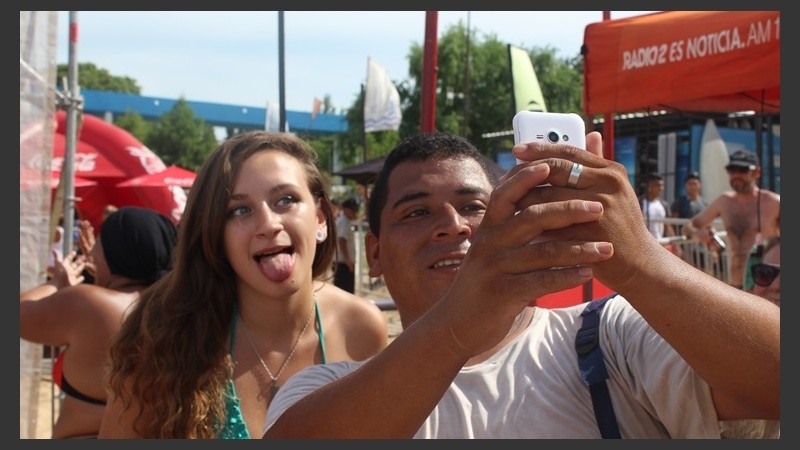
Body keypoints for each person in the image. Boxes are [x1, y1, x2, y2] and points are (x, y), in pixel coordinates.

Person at [263, 131, 779, 438]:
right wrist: (459, 324)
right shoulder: (321, 389)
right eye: (417, 211)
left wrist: (638, 261)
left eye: (474, 206)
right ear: (375, 255)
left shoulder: (613, 337)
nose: (454, 226)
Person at [98, 130, 387, 438]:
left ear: (320, 219)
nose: (268, 224)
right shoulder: (162, 337)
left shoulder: (362, 328)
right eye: (240, 210)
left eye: (285, 200)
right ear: (216, 235)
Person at [20, 206, 178, 438]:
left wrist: (57, 282)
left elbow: (20, 314)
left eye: (99, 243)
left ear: (116, 253)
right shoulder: (178, 313)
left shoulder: (87, 303)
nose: (91, 251)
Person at [687, 149, 780, 289]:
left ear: (757, 173)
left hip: (765, 285)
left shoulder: (773, 203)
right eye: (732, 170)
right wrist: (697, 234)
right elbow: (690, 225)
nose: (736, 175)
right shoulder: (724, 201)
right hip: (735, 284)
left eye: (743, 170)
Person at [334, 197, 360, 293]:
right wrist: (348, 261)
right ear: (346, 209)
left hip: (343, 263)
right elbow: (342, 240)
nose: (354, 212)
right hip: (343, 265)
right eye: (352, 210)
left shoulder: (345, 221)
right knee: (346, 292)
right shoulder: (344, 221)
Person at [639, 173, 675, 240]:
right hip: (643, 244)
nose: (661, 188)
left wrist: (677, 247)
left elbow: (668, 226)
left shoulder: (664, 204)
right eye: (658, 185)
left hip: (660, 244)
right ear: (649, 186)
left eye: (662, 185)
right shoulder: (639, 203)